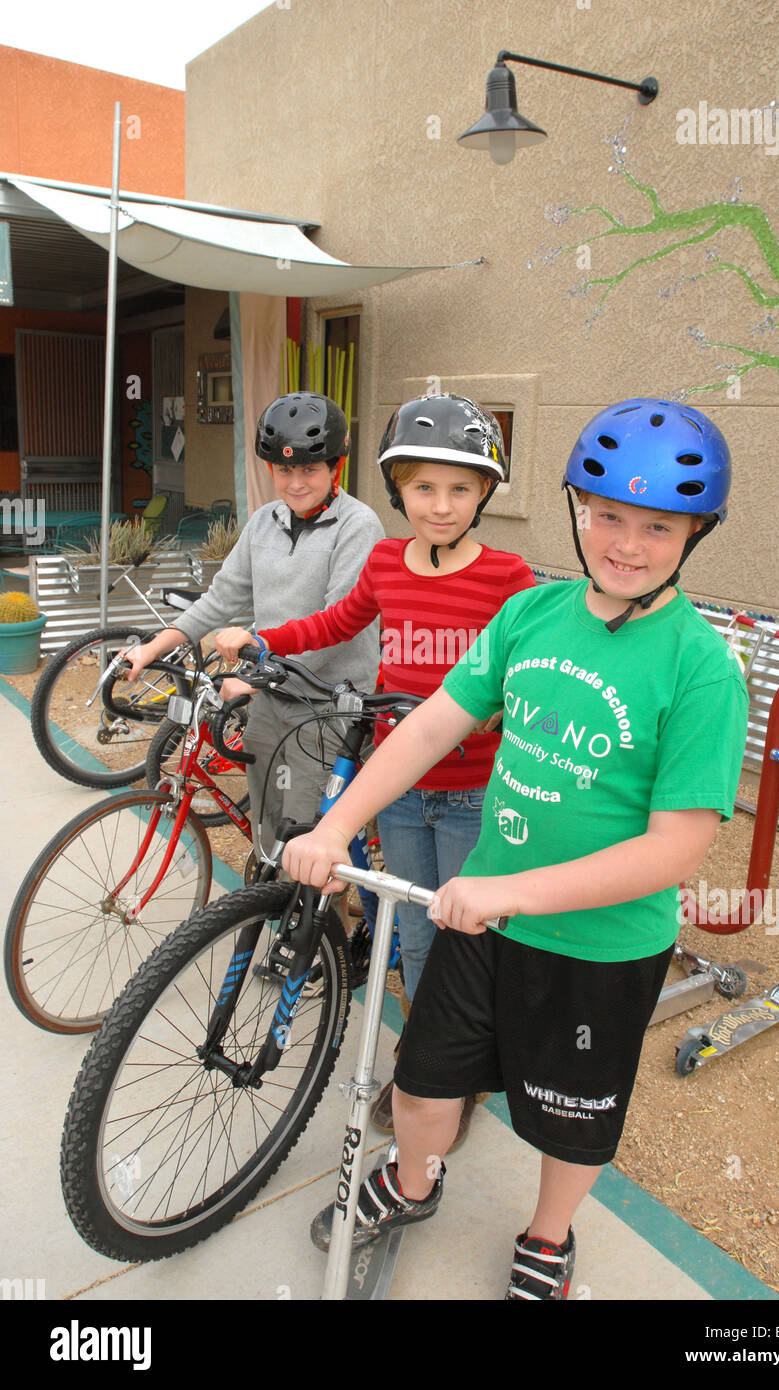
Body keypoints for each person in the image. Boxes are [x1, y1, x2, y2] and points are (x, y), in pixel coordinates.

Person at [282, 397, 750, 1300]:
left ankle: (548, 1234)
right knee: (422, 1089)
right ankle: (413, 1183)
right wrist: (338, 825)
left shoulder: (702, 666)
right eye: (606, 513)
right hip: (482, 923)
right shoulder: (529, 617)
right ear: (578, 509)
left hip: (601, 948)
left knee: (571, 1123)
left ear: (696, 532)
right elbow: (425, 732)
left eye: (657, 525)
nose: (625, 542)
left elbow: (674, 851)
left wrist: (512, 893)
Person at [214, 393, 537, 1137]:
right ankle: (428, 1067)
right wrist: (268, 643)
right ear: (399, 491)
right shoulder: (387, 561)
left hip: (468, 793)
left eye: (460, 488)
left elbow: (533, 665)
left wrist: (505, 704)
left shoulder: (508, 577)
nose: (442, 505)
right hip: (397, 787)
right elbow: (338, 621)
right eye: (423, 487)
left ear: (486, 492)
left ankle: (451, 1074)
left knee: (463, 934)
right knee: (412, 935)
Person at [121, 393, 384, 850]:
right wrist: (151, 648)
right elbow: (221, 599)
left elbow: (338, 625)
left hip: (327, 707)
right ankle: (265, 905)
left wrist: (254, 676)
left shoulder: (358, 527)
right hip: (270, 698)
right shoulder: (265, 522)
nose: (296, 482)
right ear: (270, 469)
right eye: (285, 470)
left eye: (309, 470)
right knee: (266, 825)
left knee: (311, 843)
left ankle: (321, 919)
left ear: (334, 467)